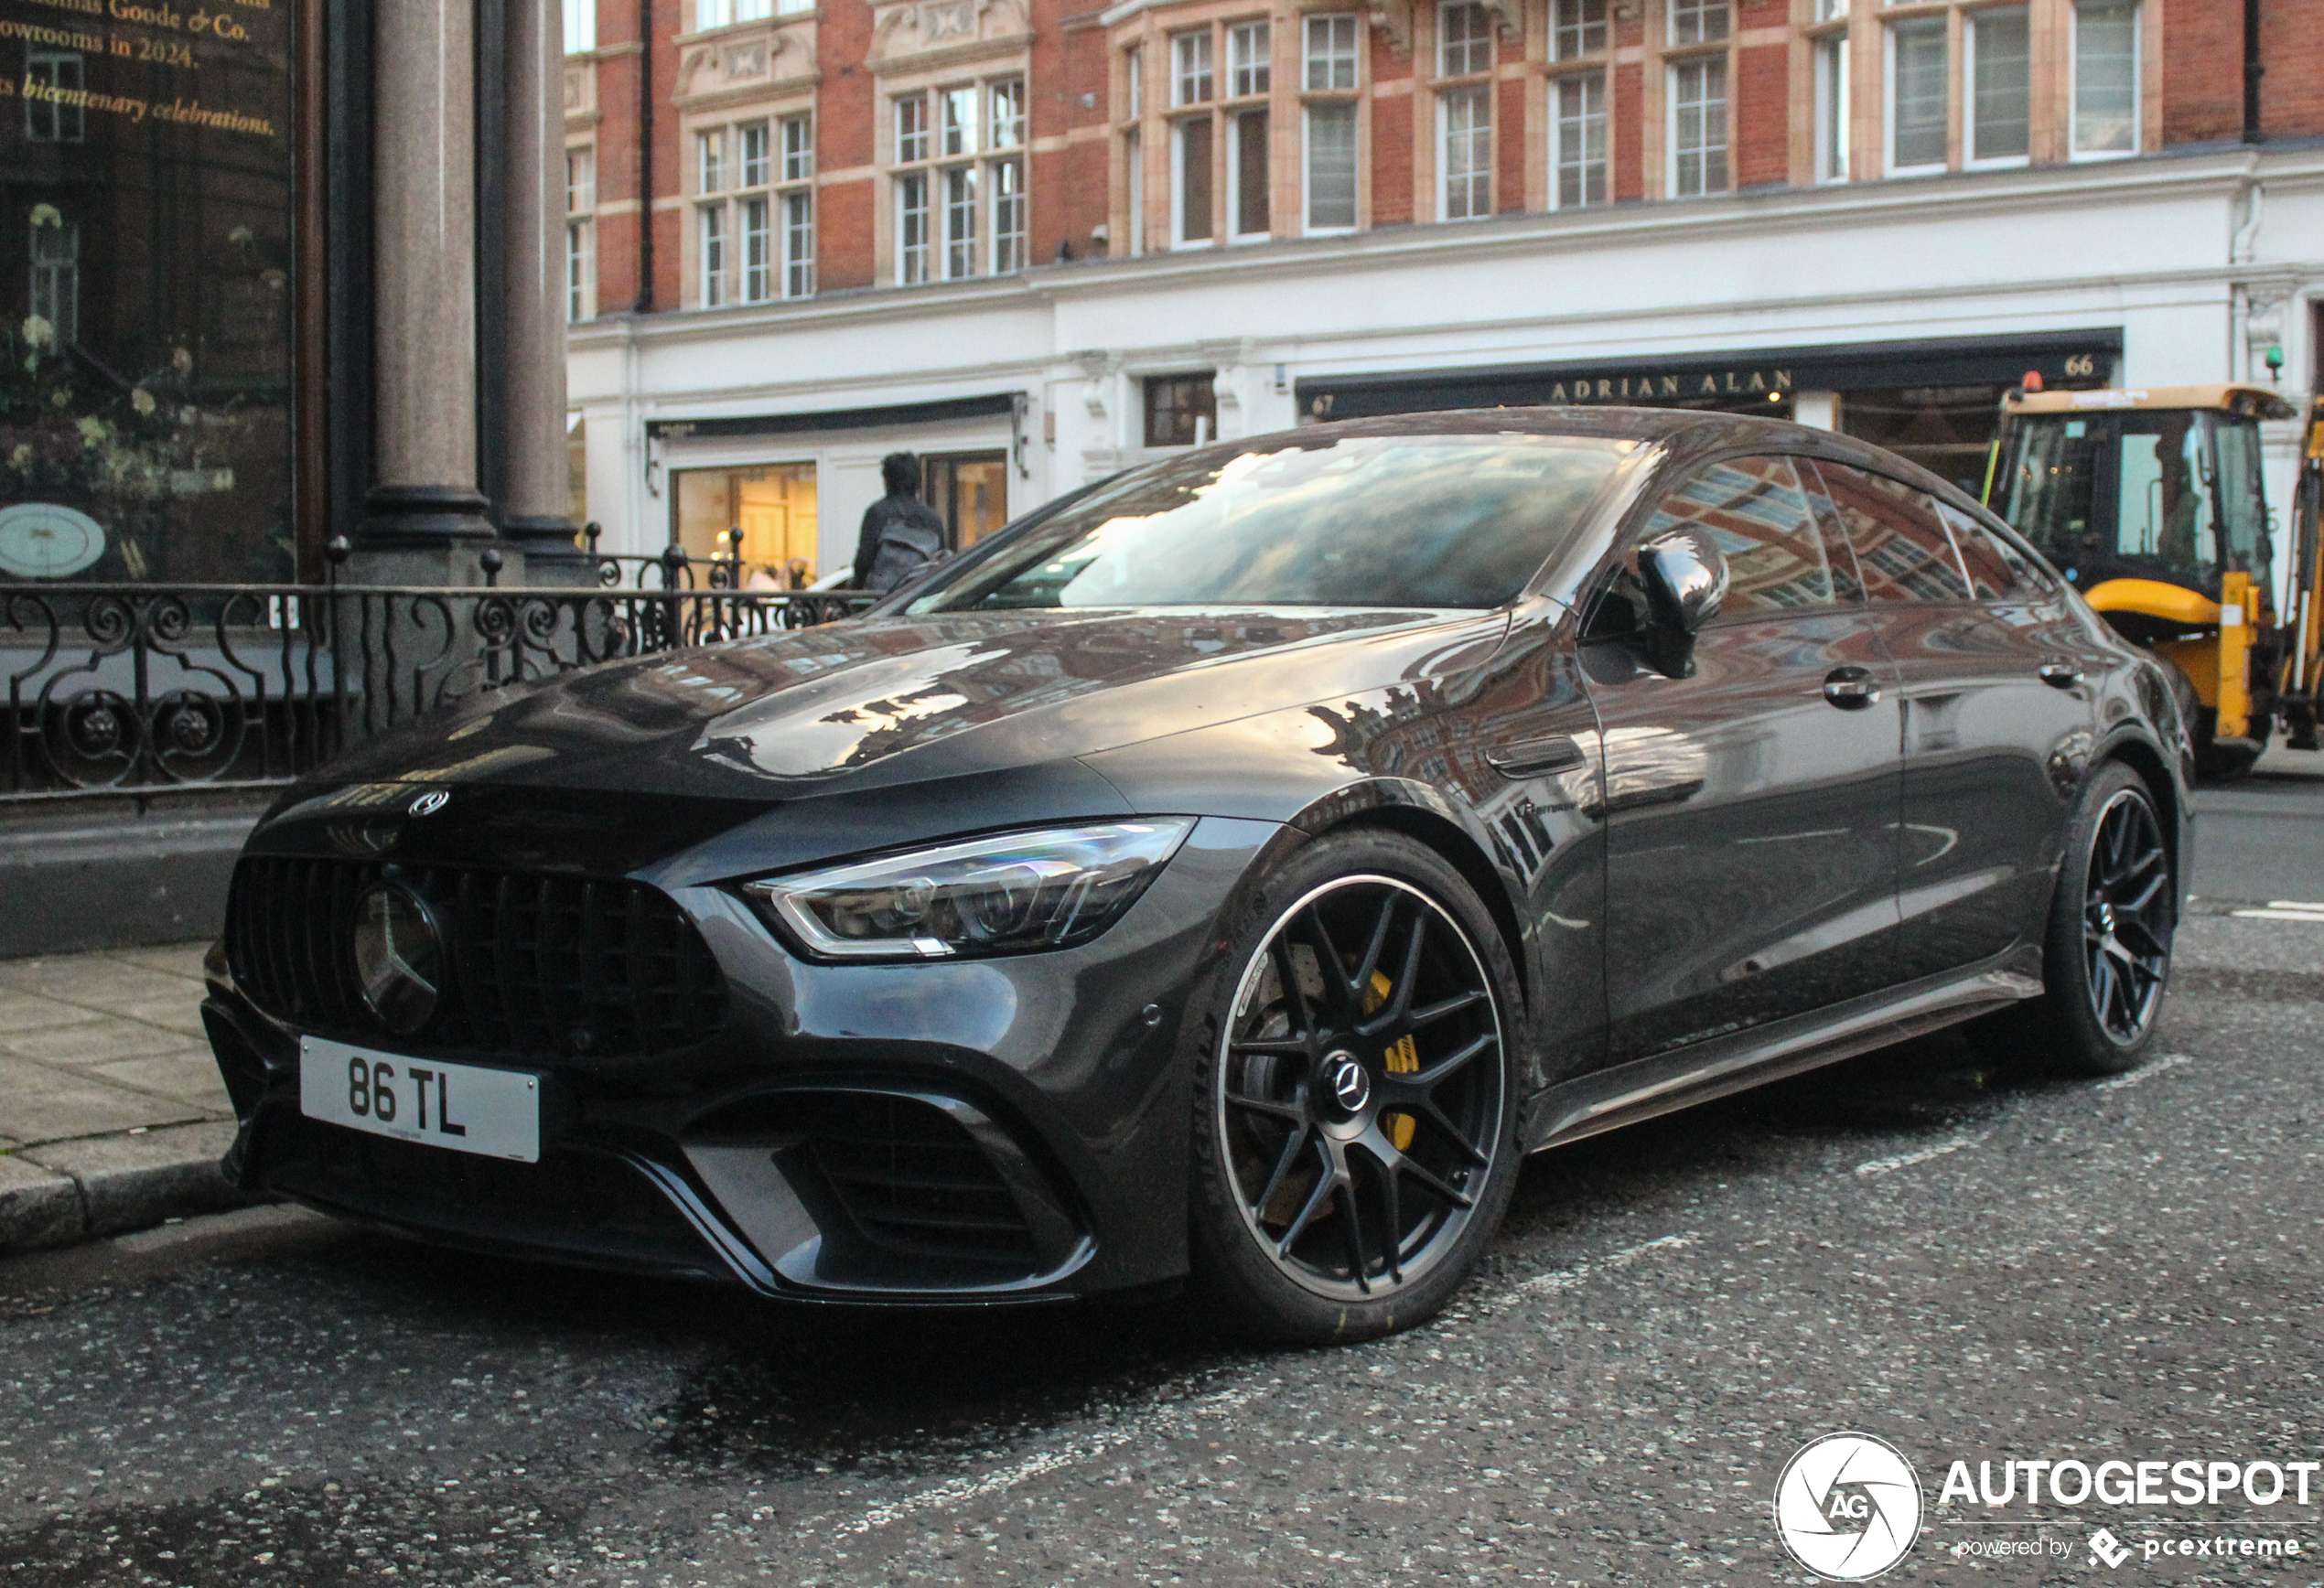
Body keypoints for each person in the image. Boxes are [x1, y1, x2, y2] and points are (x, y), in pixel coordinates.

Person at [852, 453, 947, 593]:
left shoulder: (877, 513)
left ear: (887, 480)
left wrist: (856, 588)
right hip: (919, 597)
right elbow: (942, 562)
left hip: (881, 599)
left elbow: (864, 561)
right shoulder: (932, 519)